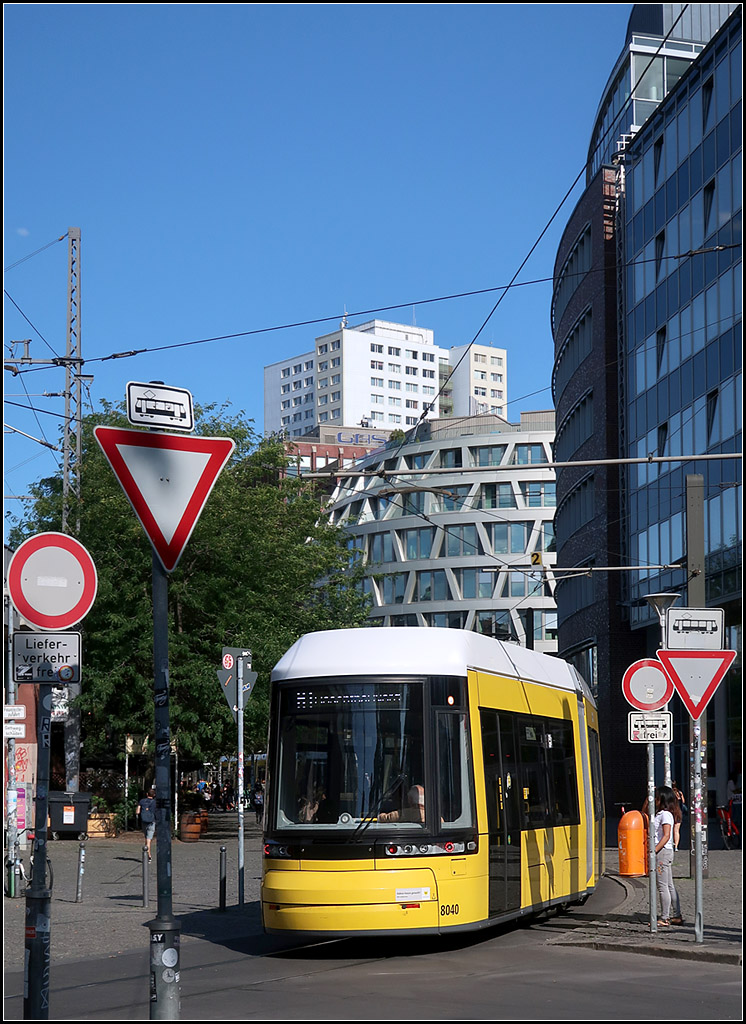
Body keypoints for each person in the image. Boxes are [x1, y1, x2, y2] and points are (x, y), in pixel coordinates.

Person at [653, 786, 681, 928]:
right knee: (669, 885)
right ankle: (676, 915)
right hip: (665, 851)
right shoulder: (664, 814)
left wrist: (654, 851)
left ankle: (665, 917)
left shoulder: (665, 815)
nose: (654, 800)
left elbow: (666, 835)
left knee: (662, 886)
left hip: (662, 852)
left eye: (657, 797)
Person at [137, 787, 156, 860]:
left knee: (146, 837)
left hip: (144, 821)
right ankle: (148, 855)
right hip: (152, 821)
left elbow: (137, 811)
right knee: (149, 839)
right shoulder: (154, 802)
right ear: (154, 795)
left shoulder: (142, 801)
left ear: (147, 794)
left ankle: (147, 852)